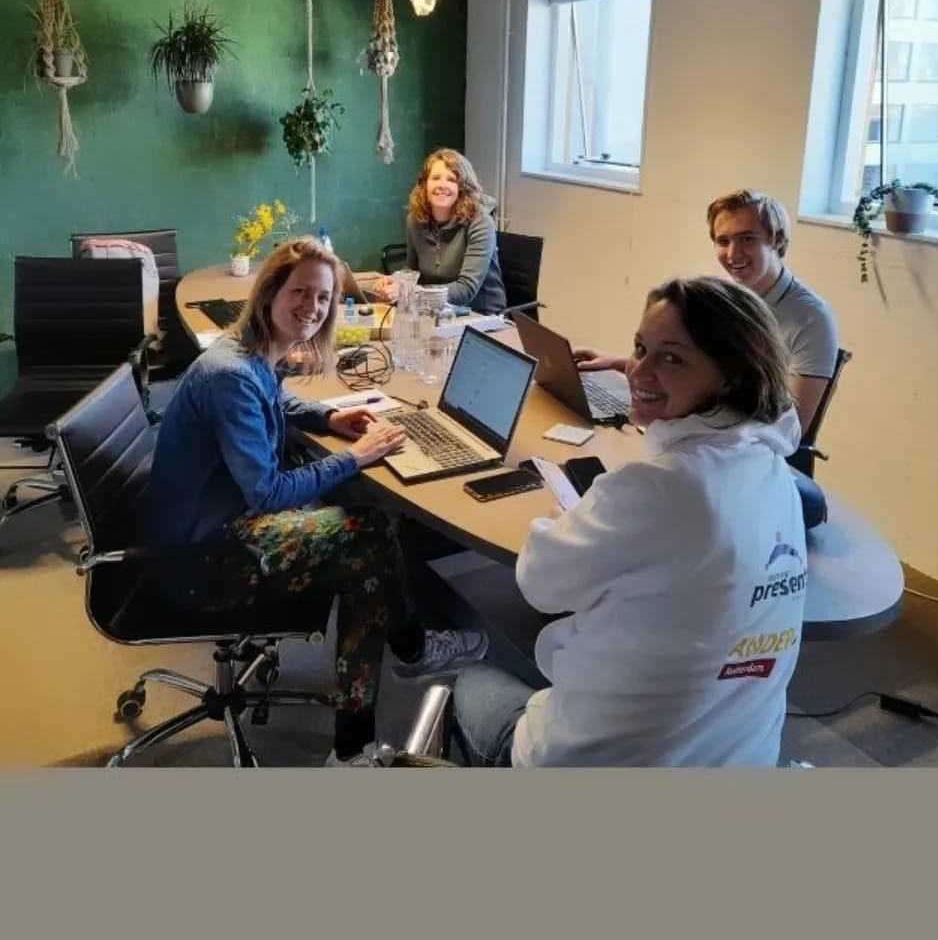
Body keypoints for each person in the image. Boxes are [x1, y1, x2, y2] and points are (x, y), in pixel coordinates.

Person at [143, 237, 488, 765]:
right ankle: (399, 673)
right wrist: (355, 456)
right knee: (370, 534)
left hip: (204, 524)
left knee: (367, 544)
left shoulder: (246, 353)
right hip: (202, 558)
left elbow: (275, 397)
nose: (313, 307)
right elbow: (266, 494)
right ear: (270, 293)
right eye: (300, 292)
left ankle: (365, 727)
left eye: (324, 297)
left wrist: (328, 417)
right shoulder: (230, 376)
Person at [452, 276, 808, 767]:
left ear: (730, 376)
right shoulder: (775, 472)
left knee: (470, 678)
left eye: (671, 358)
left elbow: (540, 584)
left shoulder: (658, 487)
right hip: (739, 761)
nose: (638, 370)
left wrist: (570, 517)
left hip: (604, 765)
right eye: (640, 348)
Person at [575, 190, 839, 435]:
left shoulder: (812, 317)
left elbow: (793, 427)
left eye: (746, 239)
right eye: (723, 241)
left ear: (777, 239)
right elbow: (698, 372)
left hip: (739, 448)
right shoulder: (724, 298)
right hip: (699, 431)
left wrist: (685, 432)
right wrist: (616, 363)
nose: (733, 254)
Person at [371, 148, 506, 313]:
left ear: (462, 187)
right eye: (435, 178)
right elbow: (412, 268)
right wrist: (397, 281)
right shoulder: (415, 220)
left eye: (451, 179)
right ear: (425, 184)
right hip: (434, 309)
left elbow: (466, 290)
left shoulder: (480, 223)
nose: (442, 185)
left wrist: (411, 292)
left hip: (480, 314)